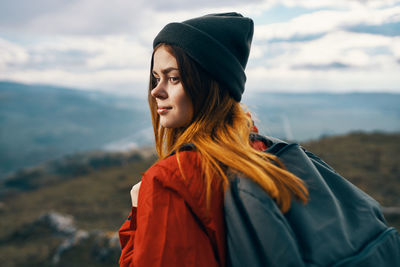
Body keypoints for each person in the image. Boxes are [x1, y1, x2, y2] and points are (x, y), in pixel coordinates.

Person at [118, 12, 308, 267]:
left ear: (207, 84)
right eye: (155, 78)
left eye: (173, 78)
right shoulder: (262, 151)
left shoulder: (171, 179)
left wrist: (138, 212)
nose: (156, 91)